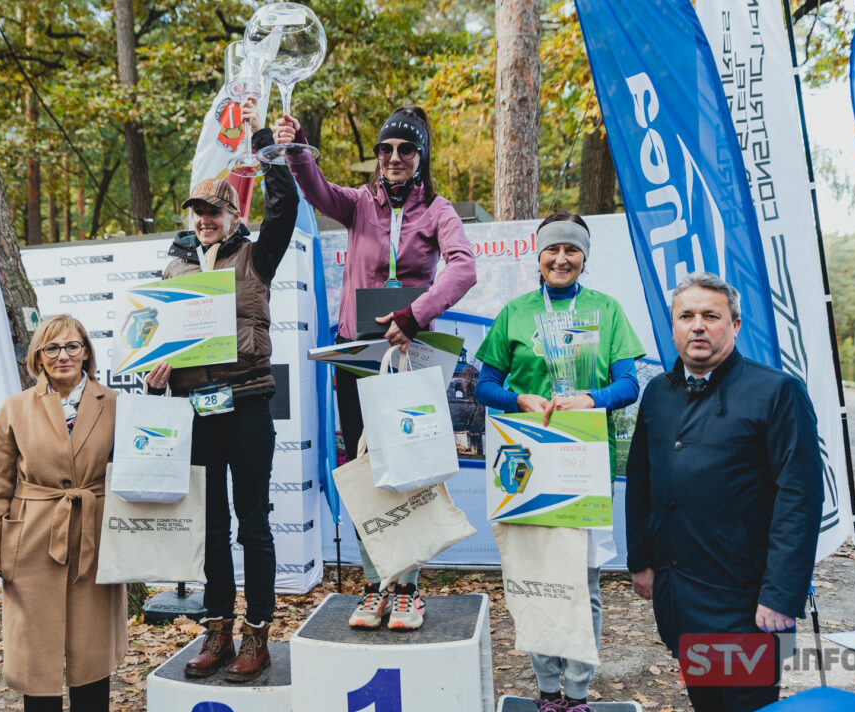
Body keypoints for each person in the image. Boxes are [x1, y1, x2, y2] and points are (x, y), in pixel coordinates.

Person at [274, 105, 477, 631]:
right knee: (367, 467)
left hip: (408, 354)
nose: (393, 158)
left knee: (408, 465)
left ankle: (408, 588)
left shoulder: (438, 209)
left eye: (405, 150)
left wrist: (416, 314)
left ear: (420, 156)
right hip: (356, 355)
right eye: (385, 149)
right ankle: (373, 583)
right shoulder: (360, 203)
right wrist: (296, 148)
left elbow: (464, 267)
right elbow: (317, 190)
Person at [145, 100, 298, 682]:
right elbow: (152, 337)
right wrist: (153, 370)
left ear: (233, 213)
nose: (205, 219)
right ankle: (217, 628)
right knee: (209, 525)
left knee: (252, 521)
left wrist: (266, 142)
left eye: (214, 210)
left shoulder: (256, 255)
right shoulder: (174, 267)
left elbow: (284, 204)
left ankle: (258, 632)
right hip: (196, 412)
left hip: (249, 401)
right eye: (198, 212)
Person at [625, 272, 823, 712]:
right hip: (679, 590)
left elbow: (801, 496)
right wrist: (640, 560)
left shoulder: (777, 391)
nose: (697, 325)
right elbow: (640, 479)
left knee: (744, 703)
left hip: (745, 598)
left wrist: (780, 594)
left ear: (734, 325)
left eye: (711, 316)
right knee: (706, 701)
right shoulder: (658, 392)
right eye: (686, 316)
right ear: (673, 326)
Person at [473, 211, 645, 712]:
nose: (562, 258)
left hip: (582, 460)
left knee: (582, 582)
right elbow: (485, 385)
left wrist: (591, 400)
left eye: (572, 250)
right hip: (525, 462)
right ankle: (547, 690)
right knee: (536, 578)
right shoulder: (516, 312)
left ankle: (577, 693)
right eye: (553, 249)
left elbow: (629, 385)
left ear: (584, 258)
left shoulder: (606, 310)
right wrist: (518, 399)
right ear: (539, 256)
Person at [0, 315, 124, 712]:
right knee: (36, 657)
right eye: (51, 348)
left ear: (87, 352)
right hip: (33, 541)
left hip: (96, 540)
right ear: (38, 357)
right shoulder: (14, 409)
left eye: (72, 346)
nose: (63, 356)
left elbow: (140, 468)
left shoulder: (114, 404)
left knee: (92, 655)